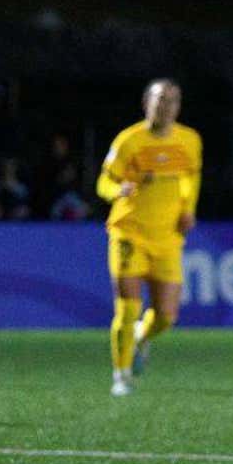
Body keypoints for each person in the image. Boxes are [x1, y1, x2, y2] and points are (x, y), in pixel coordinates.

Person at [96, 78, 201, 397]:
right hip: (129, 233)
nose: (167, 106)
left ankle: (141, 336)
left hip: (168, 237)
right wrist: (118, 190)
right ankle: (121, 375)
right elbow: (103, 183)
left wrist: (188, 209)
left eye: (173, 100)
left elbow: (190, 180)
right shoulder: (129, 141)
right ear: (147, 104)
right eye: (160, 100)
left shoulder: (190, 140)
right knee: (127, 308)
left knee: (166, 318)